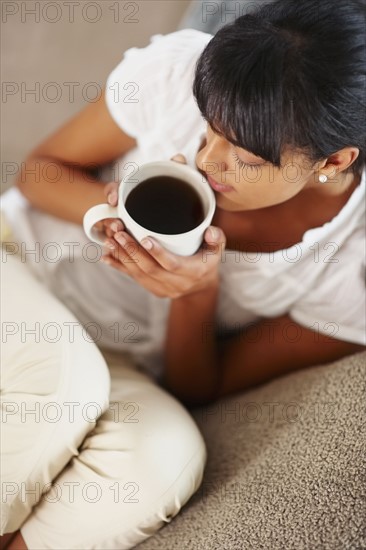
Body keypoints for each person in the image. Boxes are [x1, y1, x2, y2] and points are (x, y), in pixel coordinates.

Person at [1, 0, 365, 547]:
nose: (207, 160)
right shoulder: (176, 71)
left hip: (117, 360)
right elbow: (39, 173)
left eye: (243, 155)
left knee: (161, 461)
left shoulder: (354, 268)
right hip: (19, 260)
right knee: (60, 386)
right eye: (209, 128)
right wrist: (109, 217)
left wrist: (195, 292)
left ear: (333, 162)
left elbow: (202, 387)